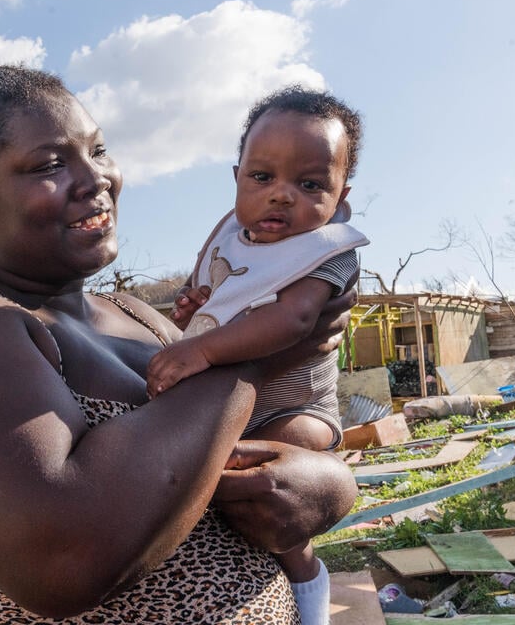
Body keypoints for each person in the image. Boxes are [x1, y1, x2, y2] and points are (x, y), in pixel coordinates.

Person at [0, 66, 359, 625]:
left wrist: (330, 488)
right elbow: (63, 561)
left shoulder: (141, 317)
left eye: (98, 150)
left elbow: (248, 439)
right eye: (51, 164)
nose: (96, 178)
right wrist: (260, 355)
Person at [145, 88, 367, 624]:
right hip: (228, 406)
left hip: (298, 409)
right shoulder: (230, 237)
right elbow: (212, 297)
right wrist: (195, 307)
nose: (282, 195)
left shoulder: (330, 254)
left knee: (277, 474)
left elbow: (290, 320)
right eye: (262, 177)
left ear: (340, 199)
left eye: (310, 184)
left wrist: (202, 347)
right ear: (238, 177)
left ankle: (308, 585)